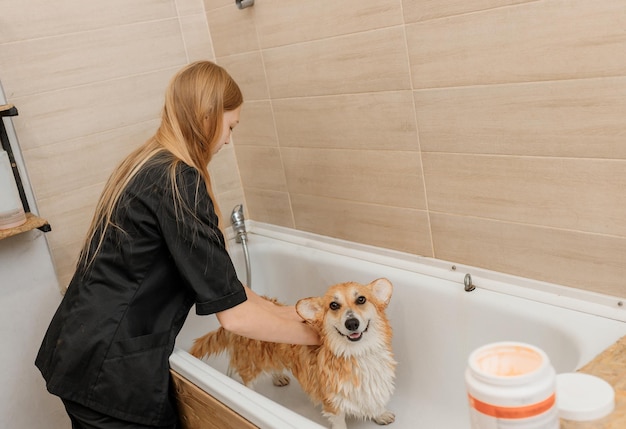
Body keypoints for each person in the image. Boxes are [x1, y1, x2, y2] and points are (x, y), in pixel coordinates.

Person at [35, 61, 320, 429]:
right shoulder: (178, 181)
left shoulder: (148, 162)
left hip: (81, 349)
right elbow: (235, 317)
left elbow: (225, 288)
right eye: (230, 126)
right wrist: (322, 338)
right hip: (109, 372)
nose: (228, 140)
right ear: (208, 116)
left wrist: (294, 314)